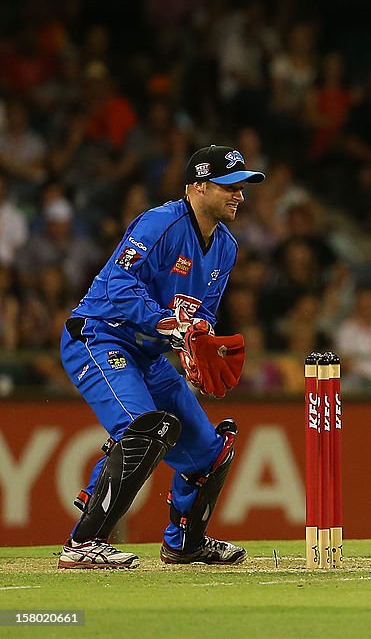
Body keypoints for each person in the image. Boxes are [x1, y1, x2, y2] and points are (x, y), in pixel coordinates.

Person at [56, 144, 264, 569]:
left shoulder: (225, 246)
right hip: (100, 337)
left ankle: (185, 544)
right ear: (198, 187)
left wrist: (198, 339)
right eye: (229, 186)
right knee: (147, 429)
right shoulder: (159, 223)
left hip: (148, 355)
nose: (239, 195)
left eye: (242, 187)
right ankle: (83, 543)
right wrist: (167, 324)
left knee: (211, 452)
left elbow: (201, 311)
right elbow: (117, 283)